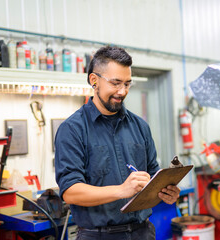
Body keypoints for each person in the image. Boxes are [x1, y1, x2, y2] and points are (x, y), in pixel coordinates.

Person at [55, 46, 180, 240]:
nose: (122, 91)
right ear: (94, 80)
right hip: (98, 236)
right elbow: (71, 192)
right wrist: (122, 190)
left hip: (143, 232)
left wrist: (165, 192)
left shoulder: (140, 126)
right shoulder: (72, 129)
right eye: (115, 83)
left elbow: (153, 178)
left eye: (127, 84)